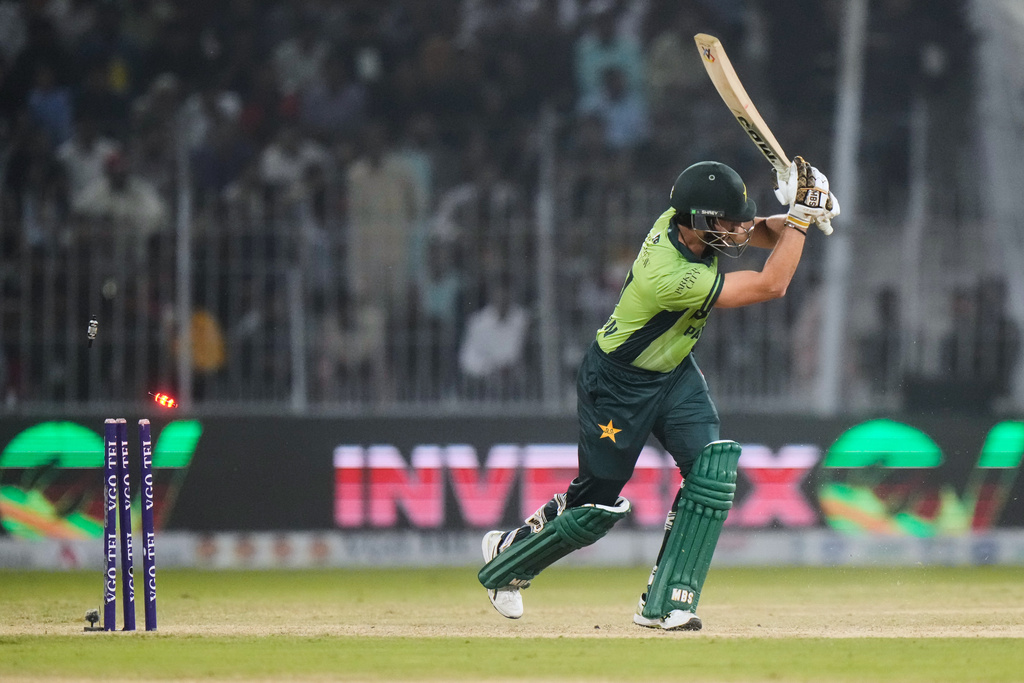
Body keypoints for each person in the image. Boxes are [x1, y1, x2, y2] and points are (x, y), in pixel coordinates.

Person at [477, 157, 839, 629]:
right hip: (616, 385)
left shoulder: (685, 222)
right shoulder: (670, 276)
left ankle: (666, 602)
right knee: (593, 508)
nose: (737, 229)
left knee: (710, 473)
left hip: (673, 374)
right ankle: (509, 558)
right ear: (702, 221)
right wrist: (802, 218)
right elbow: (771, 284)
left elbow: (753, 232)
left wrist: (798, 212)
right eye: (728, 221)